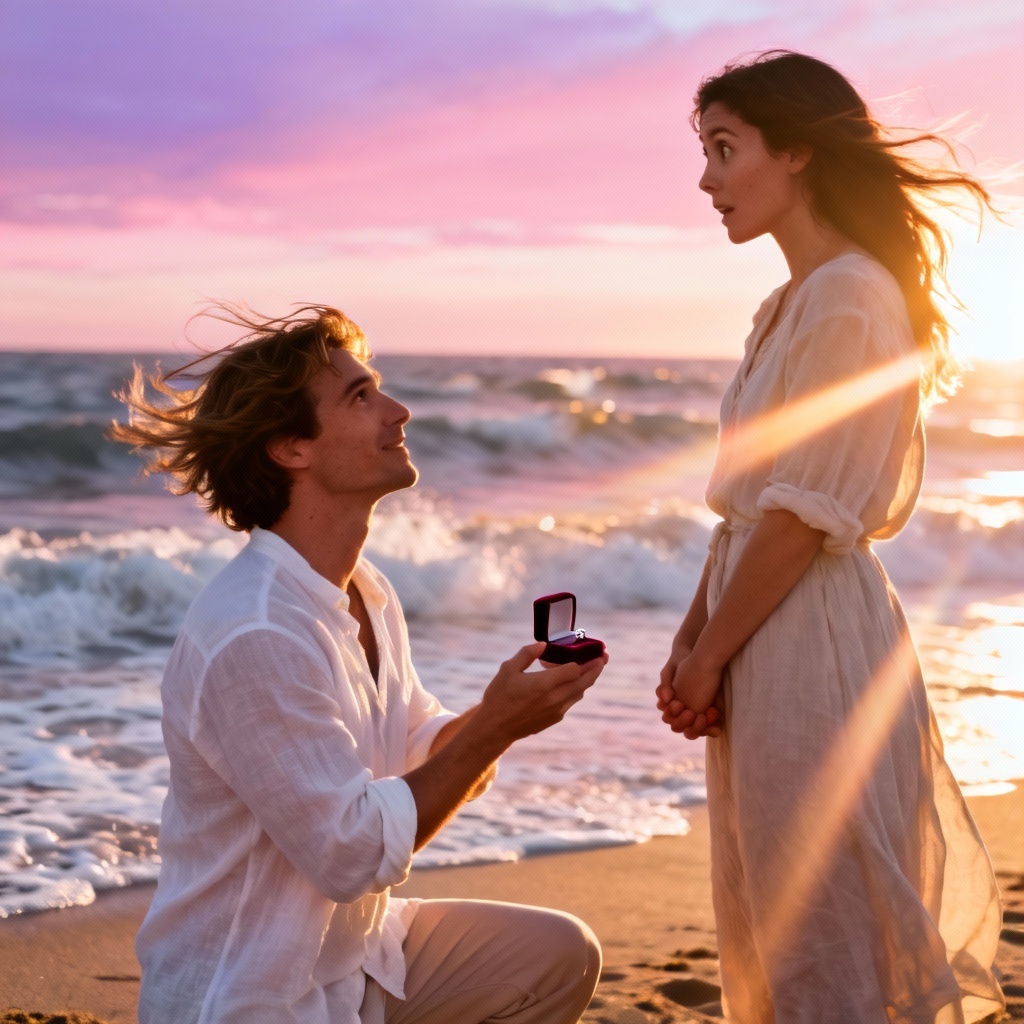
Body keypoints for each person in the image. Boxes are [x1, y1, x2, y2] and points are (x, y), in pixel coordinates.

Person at [112, 305, 605, 1024]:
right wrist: (494, 728)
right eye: (360, 396)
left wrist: (511, 710)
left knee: (557, 955)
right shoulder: (255, 631)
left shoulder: (365, 590)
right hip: (253, 992)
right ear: (290, 447)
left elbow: (418, 752)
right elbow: (350, 855)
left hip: (354, 960)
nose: (398, 411)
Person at [656, 51, 1004, 1024]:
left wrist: (711, 651)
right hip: (765, 622)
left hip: (809, 638)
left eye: (725, 149)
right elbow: (749, 507)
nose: (706, 178)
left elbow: (803, 516)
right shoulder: (788, 303)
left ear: (798, 151)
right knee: (772, 896)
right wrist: (692, 641)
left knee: (820, 908)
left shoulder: (850, 295)